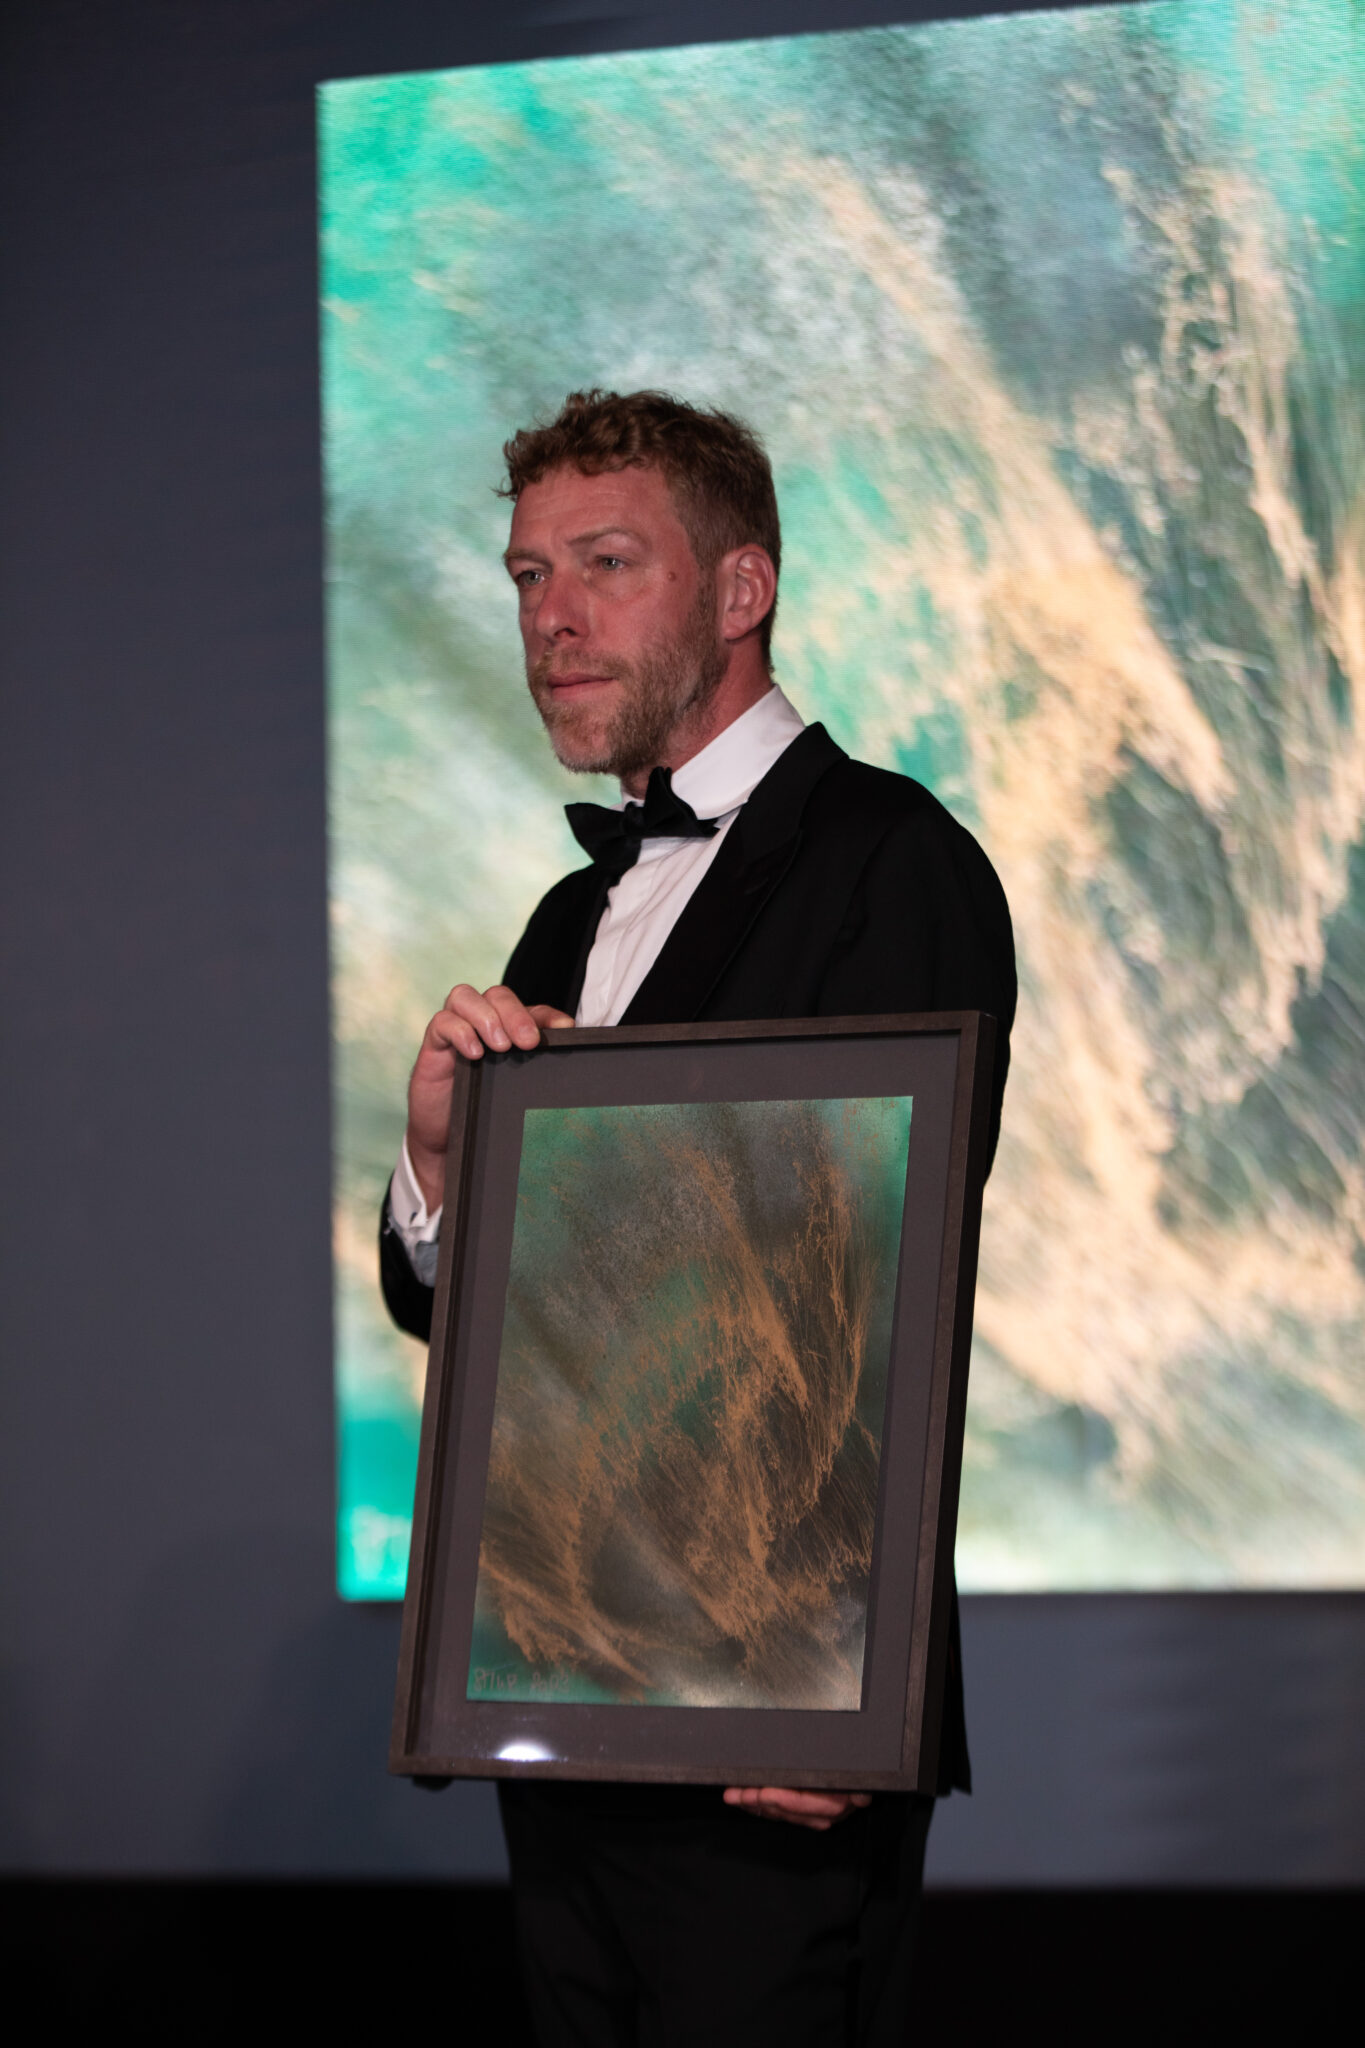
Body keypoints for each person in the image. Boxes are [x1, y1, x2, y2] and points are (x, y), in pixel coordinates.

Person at [379, 390, 1016, 2047]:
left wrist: (832, 1695)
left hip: (768, 1740)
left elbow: (878, 1293)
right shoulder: (568, 908)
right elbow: (482, 1318)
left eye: (604, 563)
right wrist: (439, 1164)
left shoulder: (890, 859)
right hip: (574, 1691)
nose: (551, 620)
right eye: (526, 575)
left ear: (741, 591)